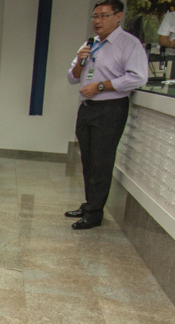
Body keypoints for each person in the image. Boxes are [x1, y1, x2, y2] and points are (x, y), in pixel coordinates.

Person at [66, 0, 148, 229]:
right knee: (88, 159)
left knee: (101, 161)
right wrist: (81, 61)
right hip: (87, 108)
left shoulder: (129, 44)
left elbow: (138, 77)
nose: (97, 21)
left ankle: (94, 213)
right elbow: (72, 77)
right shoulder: (90, 44)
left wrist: (101, 86)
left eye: (103, 16)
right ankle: (90, 203)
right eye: (94, 17)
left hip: (110, 109)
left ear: (118, 16)